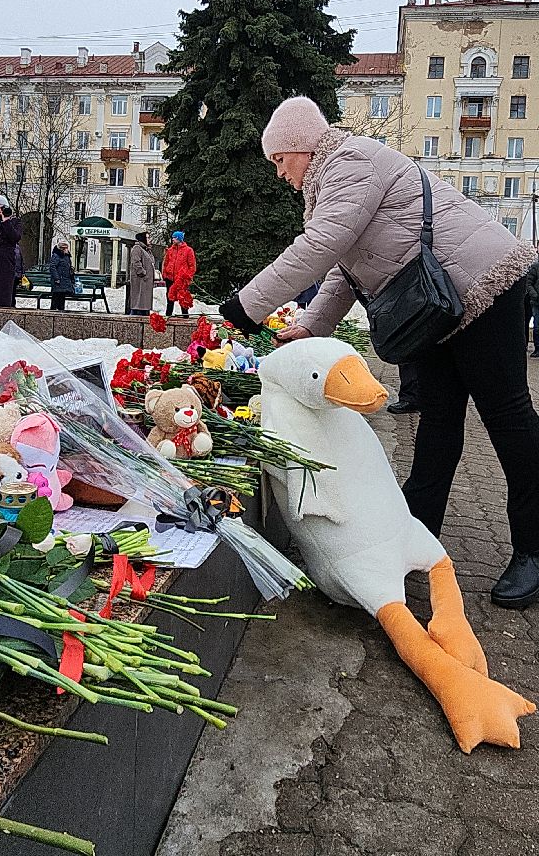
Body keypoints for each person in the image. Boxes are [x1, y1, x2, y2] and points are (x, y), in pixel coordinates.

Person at [220, 95, 539, 609]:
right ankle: (414, 532)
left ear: (300, 146)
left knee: (507, 416)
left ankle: (532, 548)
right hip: (438, 305)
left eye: (279, 160)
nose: (279, 174)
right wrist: (309, 327)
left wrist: (246, 307)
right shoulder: (331, 182)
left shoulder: (352, 162)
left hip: (483, 284)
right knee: (438, 418)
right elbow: (343, 270)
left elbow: (317, 249)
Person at [162, 231, 196, 317]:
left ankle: (185, 316)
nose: (172, 239)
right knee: (170, 298)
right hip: (169, 278)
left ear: (179, 239)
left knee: (182, 298)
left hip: (181, 279)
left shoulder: (188, 250)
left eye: (174, 237)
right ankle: (168, 316)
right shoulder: (170, 250)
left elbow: (192, 266)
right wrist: (165, 274)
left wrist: (187, 277)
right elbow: (166, 263)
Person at [128, 232, 155, 316]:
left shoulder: (146, 250)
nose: (150, 240)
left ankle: (144, 314)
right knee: (139, 301)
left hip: (146, 281)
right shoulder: (137, 248)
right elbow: (136, 262)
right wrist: (143, 272)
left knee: (144, 302)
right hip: (140, 280)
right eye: (148, 238)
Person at [49, 240, 75, 311]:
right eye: (65, 248)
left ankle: (60, 310)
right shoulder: (56, 256)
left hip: (64, 279)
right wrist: (57, 278)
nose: (67, 249)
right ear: (62, 248)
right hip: (59, 280)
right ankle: (54, 311)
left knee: (62, 295)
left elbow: (68, 267)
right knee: (56, 295)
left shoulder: (66, 256)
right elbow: (52, 267)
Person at [526, 258, 539, 357]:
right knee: (537, 326)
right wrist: (535, 295)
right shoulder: (535, 266)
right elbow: (529, 283)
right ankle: (537, 348)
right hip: (536, 302)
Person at [12, 242, 24, 308]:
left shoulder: (14, 248)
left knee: (12, 291)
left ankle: (12, 303)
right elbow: (21, 262)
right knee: (13, 292)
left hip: (14, 274)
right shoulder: (18, 248)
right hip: (17, 274)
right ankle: (12, 303)